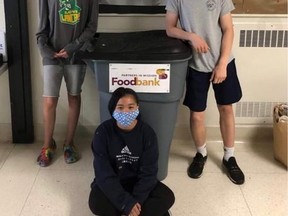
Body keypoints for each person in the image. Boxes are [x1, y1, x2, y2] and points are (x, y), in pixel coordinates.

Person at [165, 0, 245, 185]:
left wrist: (223, 63)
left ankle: (229, 157)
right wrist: (191, 36)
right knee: (197, 114)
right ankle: (201, 153)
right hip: (195, 65)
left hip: (223, 62)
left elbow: (228, 29)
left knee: (226, 109)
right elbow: (169, 28)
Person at [88, 87, 175, 216]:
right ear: (113, 109)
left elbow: (149, 173)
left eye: (130, 107)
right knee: (96, 203)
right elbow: (103, 172)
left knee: (167, 197)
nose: (125, 112)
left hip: (137, 182)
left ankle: (129, 212)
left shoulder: (147, 133)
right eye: (120, 107)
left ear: (137, 108)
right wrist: (125, 203)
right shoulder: (103, 132)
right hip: (114, 183)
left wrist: (134, 202)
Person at [35, 0, 99, 167]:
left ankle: (69, 143)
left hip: (76, 54)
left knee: (74, 96)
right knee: (49, 100)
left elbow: (91, 26)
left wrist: (73, 47)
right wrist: (45, 49)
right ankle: (47, 145)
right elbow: (41, 30)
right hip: (52, 54)